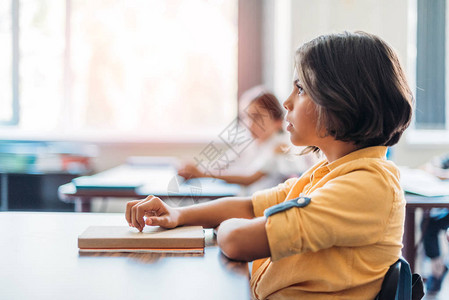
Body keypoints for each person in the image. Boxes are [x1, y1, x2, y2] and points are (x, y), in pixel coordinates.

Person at [126, 31, 413, 299]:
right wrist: (178, 214)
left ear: (342, 101)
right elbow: (250, 207)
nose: (286, 102)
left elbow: (238, 240)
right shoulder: (327, 172)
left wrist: (221, 227)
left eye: (300, 89)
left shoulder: (364, 186)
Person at [177, 86, 315, 195]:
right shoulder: (253, 143)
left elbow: (249, 178)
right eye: (245, 117)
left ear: (278, 121)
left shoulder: (281, 146)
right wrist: (194, 168)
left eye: (257, 117)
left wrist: (202, 174)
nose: (249, 124)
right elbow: (223, 163)